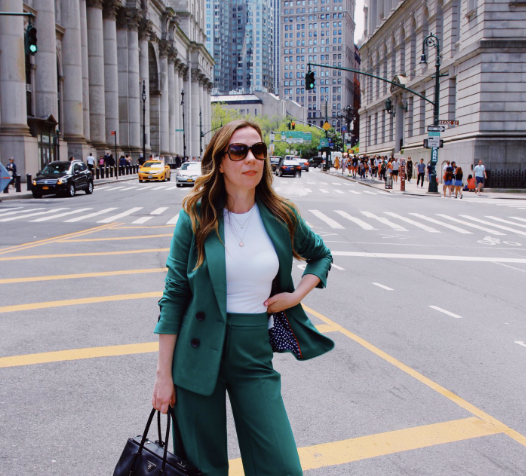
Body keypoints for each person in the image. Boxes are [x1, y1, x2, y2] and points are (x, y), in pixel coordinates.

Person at [152, 119, 333, 476]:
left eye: (258, 150)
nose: (251, 158)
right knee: (203, 468)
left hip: (253, 351)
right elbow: (173, 297)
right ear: (220, 161)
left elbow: (321, 255)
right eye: (239, 151)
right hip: (197, 353)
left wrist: (296, 294)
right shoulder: (196, 215)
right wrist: (163, 376)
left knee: (281, 466)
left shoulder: (282, 215)